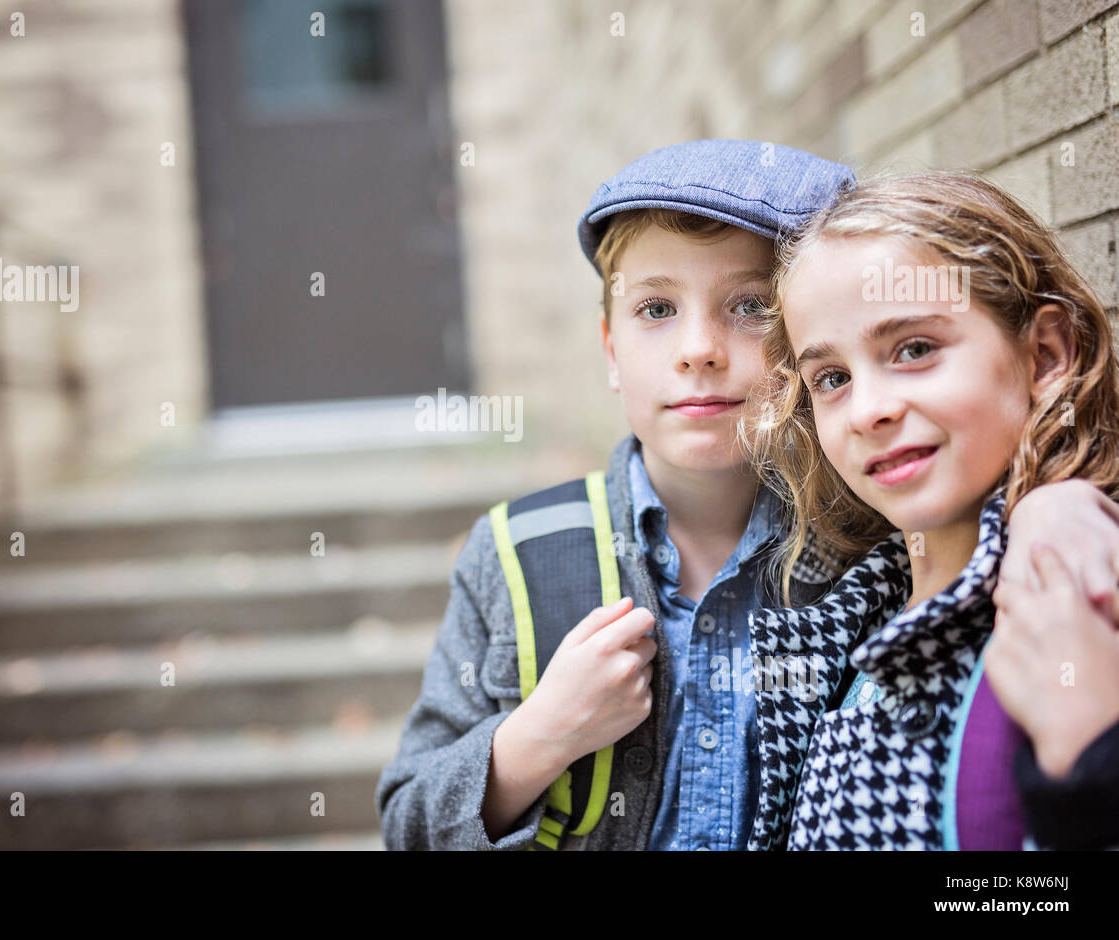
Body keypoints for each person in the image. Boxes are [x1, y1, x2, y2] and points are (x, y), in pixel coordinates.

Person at [375, 143, 1119, 850]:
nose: (698, 349)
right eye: (656, 309)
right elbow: (408, 820)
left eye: (751, 307)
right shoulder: (518, 554)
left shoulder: (870, 551)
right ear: (609, 347)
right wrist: (537, 739)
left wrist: (1051, 503)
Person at [740, 170, 1119, 850]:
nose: (868, 410)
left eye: (914, 349)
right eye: (832, 379)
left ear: (1045, 355)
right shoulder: (834, 640)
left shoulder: (1089, 588)